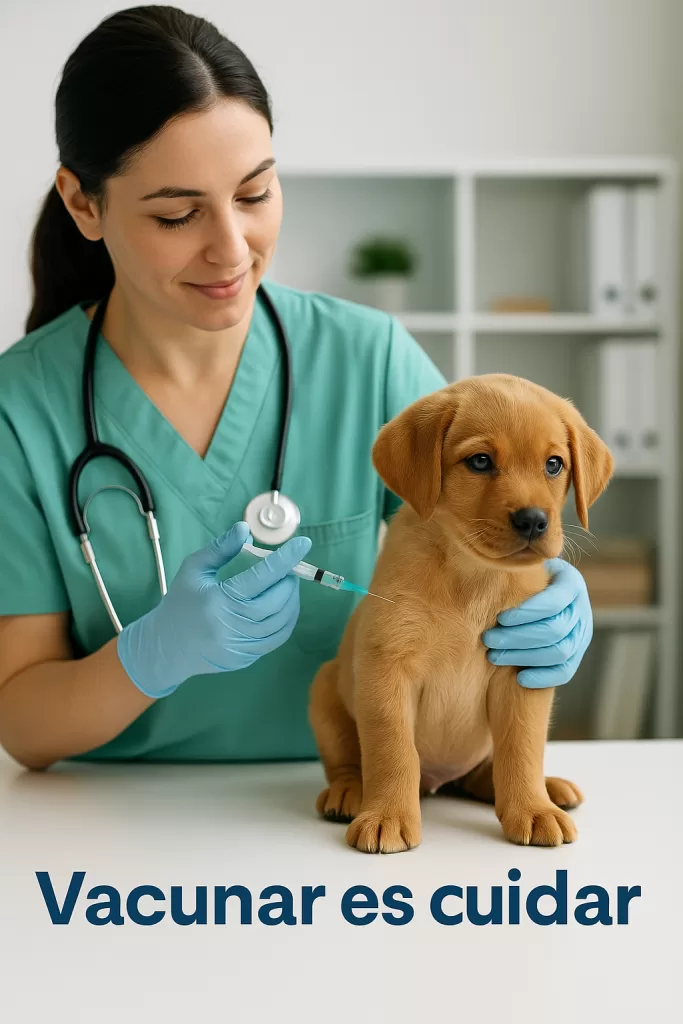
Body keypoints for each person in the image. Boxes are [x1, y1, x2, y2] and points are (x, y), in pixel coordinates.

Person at [0, 6, 592, 771]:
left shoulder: (368, 359)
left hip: (344, 810)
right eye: (178, 214)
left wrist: (543, 606)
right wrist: (147, 657)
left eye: (254, 195)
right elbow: (22, 722)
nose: (230, 248)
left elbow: (486, 539)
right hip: (116, 824)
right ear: (85, 203)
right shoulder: (20, 408)